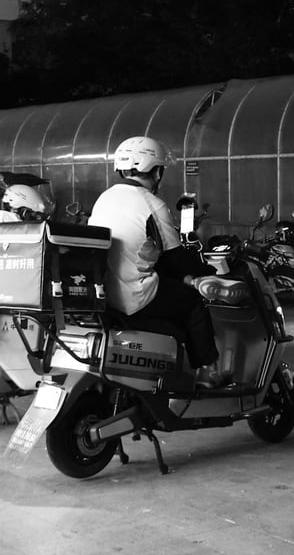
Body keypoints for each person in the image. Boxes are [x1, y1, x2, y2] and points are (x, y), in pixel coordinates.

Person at [88, 136, 224, 389]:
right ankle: (208, 371)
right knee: (193, 303)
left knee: (173, 289)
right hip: (137, 296)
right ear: (155, 170)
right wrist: (206, 270)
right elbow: (175, 258)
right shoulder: (152, 203)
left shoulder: (104, 199)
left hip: (108, 295)